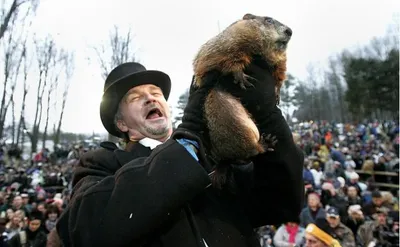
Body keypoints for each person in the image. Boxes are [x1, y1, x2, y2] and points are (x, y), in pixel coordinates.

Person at [56, 62, 304, 246]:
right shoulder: (100, 163)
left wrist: (268, 115)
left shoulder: (216, 154)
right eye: (135, 97)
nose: (150, 99)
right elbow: (88, 230)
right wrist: (187, 141)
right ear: (121, 124)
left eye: (156, 93)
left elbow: (282, 205)